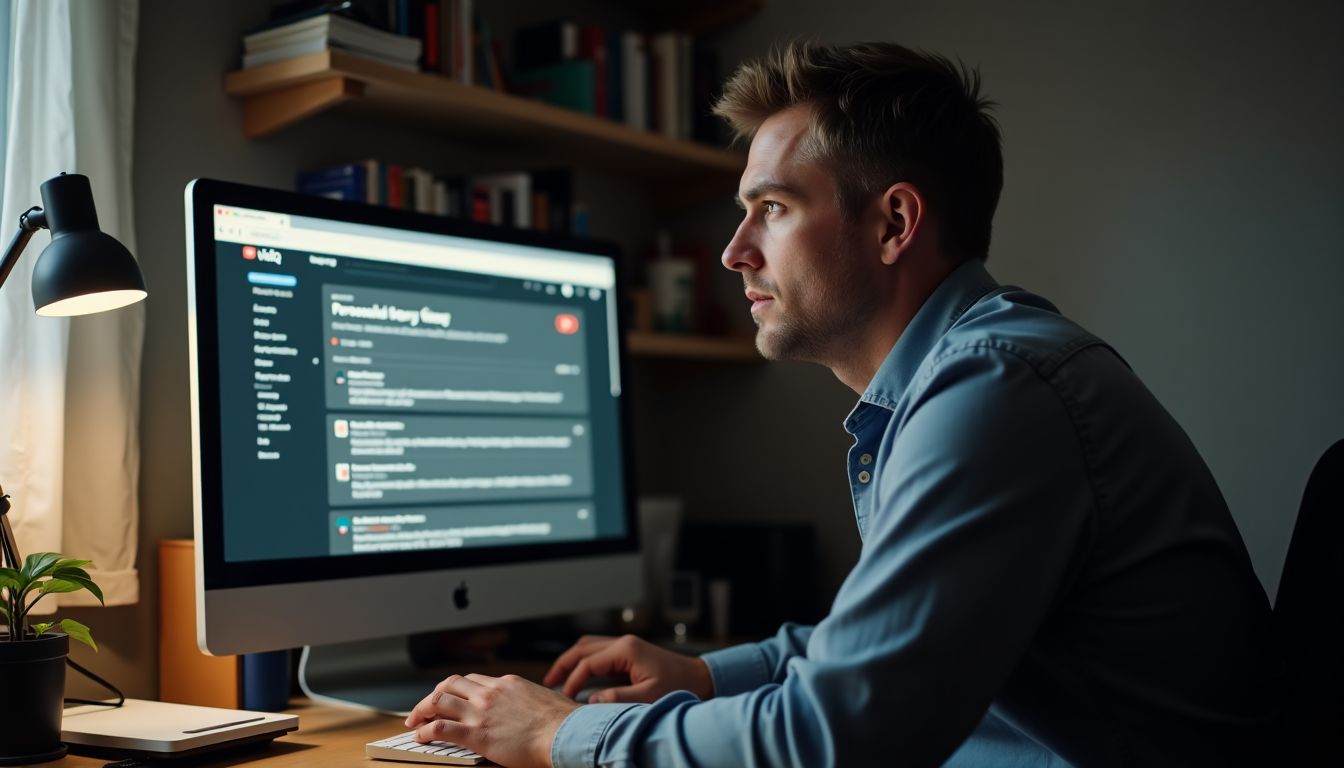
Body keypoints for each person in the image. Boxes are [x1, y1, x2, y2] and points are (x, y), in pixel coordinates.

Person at [404, 41, 1277, 767]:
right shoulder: (968, 377)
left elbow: (833, 735)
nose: (733, 253)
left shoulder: (996, 390)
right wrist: (706, 678)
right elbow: (874, 652)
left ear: (894, 224)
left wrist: (559, 732)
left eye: (771, 208)